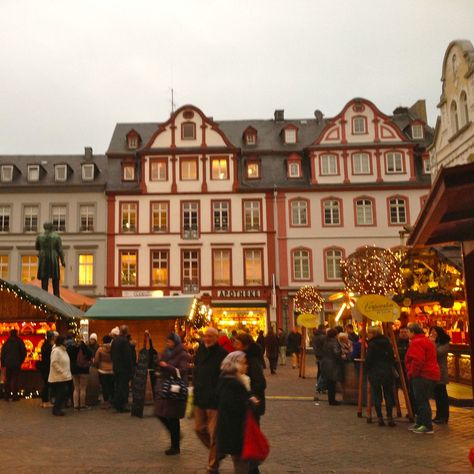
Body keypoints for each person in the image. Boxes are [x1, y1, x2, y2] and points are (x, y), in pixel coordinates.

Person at [216, 351, 259, 474]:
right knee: (241, 463)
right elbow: (234, 406)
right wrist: (250, 401)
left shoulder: (228, 379)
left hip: (231, 430)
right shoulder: (233, 382)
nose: (246, 366)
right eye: (243, 363)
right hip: (236, 431)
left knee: (241, 462)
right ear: (234, 364)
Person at [193, 327, 227, 474]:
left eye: (210, 336)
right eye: (205, 336)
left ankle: (213, 465)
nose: (207, 338)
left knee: (214, 434)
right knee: (199, 429)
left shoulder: (223, 354)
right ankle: (218, 452)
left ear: (217, 337)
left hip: (214, 400)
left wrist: (217, 394)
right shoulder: (200, 351)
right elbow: (197, 370)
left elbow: (224, 377)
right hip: (200, 397)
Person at [155, 332, 190, 456]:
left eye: (170, 341)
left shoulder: (182, 354)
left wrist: (167, 366)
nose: (167, 343)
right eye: (167, 341)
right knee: (159, 413)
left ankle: (175, 446)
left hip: (175, 389)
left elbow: (183, 370)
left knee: (173, 417)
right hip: (165, 387)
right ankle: (175, 438)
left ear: (175, 342)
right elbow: (161, 364)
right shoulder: (166, 352)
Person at [405, 323, 440, 434]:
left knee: (421, 400)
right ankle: (420, 422)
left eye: (408, 331)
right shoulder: (424, 340)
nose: (407, 334)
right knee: (420, 399)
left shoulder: (417, 342)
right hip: (429, 373)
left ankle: (426, 425)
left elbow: (418, 360)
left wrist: (412, 373)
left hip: (423, 375)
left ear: (413, 332)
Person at [365, 326, 396, 427]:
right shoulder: (387, 342)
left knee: (377, 395)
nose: (367, 335)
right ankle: (390, 417)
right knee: (388, 394)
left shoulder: (372, 344)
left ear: (373, 334)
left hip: (375, 372)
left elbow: (369, 359)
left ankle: (380, 418)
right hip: (387, 371)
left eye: (369, 333)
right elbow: (392, 356)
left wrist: (367, 369)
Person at [234, 332, 267, 423]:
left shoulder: (252, 360)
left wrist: (250, 395)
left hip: (251, 404)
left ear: (245, 345)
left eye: (237, 344)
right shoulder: (241, 357)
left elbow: (260, 383)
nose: (234, 346)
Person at [35, 221, 65, 297]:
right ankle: (56, 294)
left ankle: (44, 295)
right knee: (55, 278)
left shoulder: (39, 236)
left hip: (43, 258)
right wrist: (62, 260)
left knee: (44, 278)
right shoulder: (57, 237)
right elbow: (60, 250)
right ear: (52, 228)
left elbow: (37, 247)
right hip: (53, 258)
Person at [430, 326, 450, 424]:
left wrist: (432, 342)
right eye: (431, 331)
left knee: (442, 395)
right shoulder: (434, 342)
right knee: (437, 395)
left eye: (434, 331)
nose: (433, 333)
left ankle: (444, 416)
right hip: (433, 371)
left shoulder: (445, 342)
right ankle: (438, 414)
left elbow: (437, 353)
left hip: (441, 372)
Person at [111, 325, 133, 412]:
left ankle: (117, 404)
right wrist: (130, 369)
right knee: (123, 387)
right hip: (124, 369)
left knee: (118, 386)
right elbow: (127, 357)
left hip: (116, 367)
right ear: (126, 332)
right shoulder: (124, 341)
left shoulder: (115, 341)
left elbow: (112, 354)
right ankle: (121, 405)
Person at [48, 335, 72, 416]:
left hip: (63, 376)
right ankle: (56, 409)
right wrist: (62, 371)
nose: (66, 342)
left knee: (63, 392)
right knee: (61, 392)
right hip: (57, 377)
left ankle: (58, 408)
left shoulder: (64, 350)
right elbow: (54, 363)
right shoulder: (56, 351)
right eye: (65, 340)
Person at [67, 337, 93, 410]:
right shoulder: (85, 348)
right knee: (83, 388)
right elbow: (90, 356)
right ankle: (82, 405)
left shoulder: (70, 348)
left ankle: (75, 405)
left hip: (74, 369)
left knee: (76, 388)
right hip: (83, 369)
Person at [1, 329, 26, 401]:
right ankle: (15, 396)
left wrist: (3, 364)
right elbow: (23, 352)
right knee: (15, 380)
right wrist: (21, 361)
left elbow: (2, 354)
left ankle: (6, 396)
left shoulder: (6, 343)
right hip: (16, 364)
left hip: (8, 364)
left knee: (7, 380)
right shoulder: (19, 342)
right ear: (16, 334)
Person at [320, 329, 343, 405]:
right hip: (333, 364)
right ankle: (332, 400)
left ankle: (331, 399)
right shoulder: (334, 342)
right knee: (332, 383)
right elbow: (336, 353)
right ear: (335, 335)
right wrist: (341, 353)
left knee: (330, 383)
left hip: (326, 364)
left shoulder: (326, 341)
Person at [94, 335, 114, 408]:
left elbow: (96, 360)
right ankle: (112, 400)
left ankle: (106, 402)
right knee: (111, 386)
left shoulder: (100, 349)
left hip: (102, 370)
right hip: (112, 370)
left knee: (105, 386)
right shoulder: (114, 349)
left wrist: (97, 366)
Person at [40, 331, 55, 408]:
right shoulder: (49, 347)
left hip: (44, 367)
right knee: (47, 385)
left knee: (45, 385)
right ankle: (46, 401)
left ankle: (44, 401)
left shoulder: (43, 345)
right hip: (48, 367)